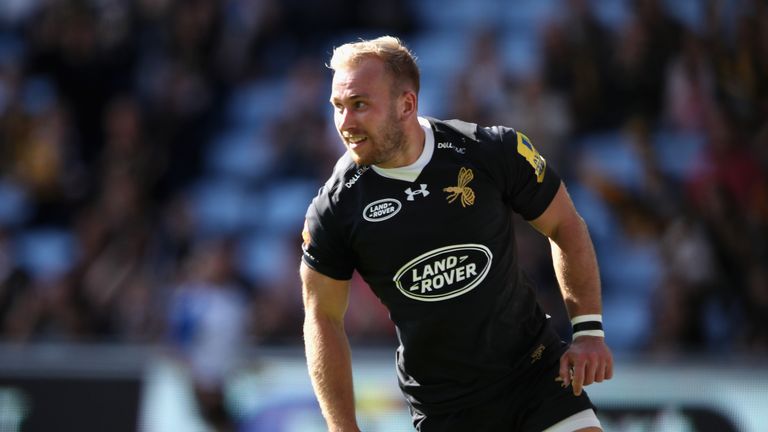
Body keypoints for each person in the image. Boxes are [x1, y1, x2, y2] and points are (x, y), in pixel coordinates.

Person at [300, 35, 613, 432]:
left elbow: (565, 225)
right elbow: (322, 316)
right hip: (446, 410)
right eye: (338, 107)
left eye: (360, 105)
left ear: (406, 104)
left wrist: (587, 331)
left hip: (534, 377)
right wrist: (343, 428)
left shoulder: (488, 151)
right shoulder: (334, 208)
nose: (345, 123)